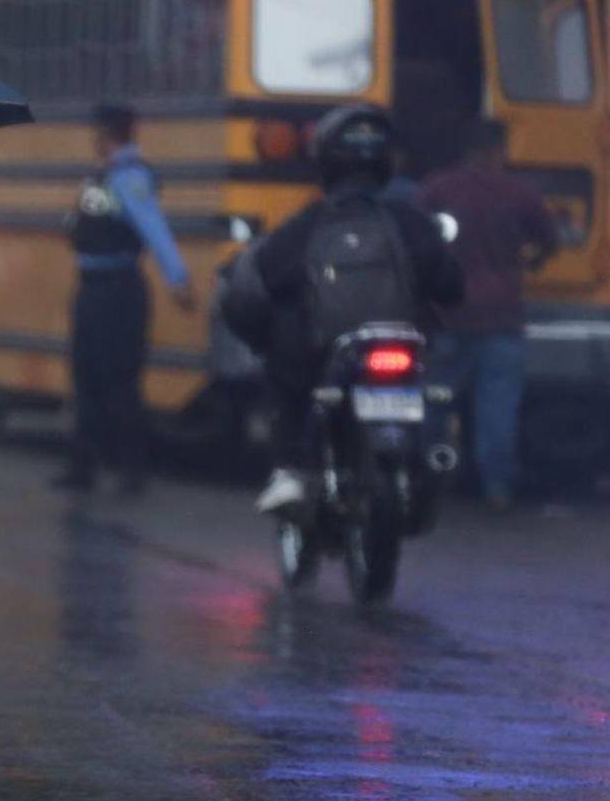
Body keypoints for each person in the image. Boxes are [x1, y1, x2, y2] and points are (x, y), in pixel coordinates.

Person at [223, 104, 464, 514]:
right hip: (405, 346)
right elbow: (451, 287)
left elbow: (255, 289)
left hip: (324, 353)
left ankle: (291, 471)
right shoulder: (410, 223)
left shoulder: (305, 226)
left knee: (284, 378)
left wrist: (263, 340)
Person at [52, 102, 198, 496]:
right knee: (85, 375)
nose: (93, 139)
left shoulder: (130, 177)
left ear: (108, 134)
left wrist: (178, 278)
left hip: (117, 290)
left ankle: (132, 469)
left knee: (119, 380)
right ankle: (82, 466)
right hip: (92, 287)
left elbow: (153, 228)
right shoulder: (104, 175)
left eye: (98, 132)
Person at [417, 119, 557, 509]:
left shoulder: (438, 188)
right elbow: (549, 239)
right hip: (502, 317)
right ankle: (496, 487)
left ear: (465, 150)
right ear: (499, 149)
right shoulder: (520, 192)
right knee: (497, 410)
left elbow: (417, 236)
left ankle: (425, 476)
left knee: (434, 403)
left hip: (448, 315)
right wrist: (533, 262)